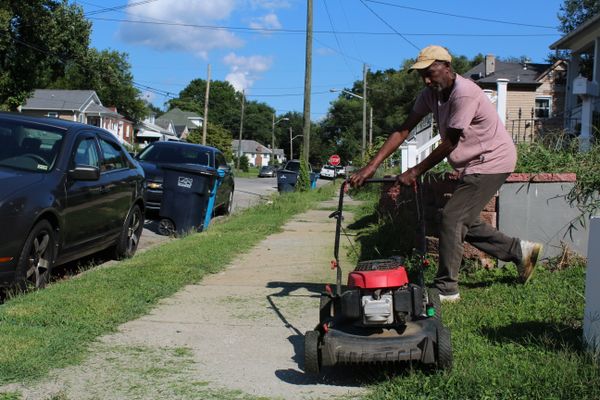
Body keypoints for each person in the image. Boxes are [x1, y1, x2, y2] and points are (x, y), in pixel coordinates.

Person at [349, 45, 542, 302]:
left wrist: (415, 171)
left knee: (452, 217)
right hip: (472, 163)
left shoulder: (465, 94)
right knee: (460, 218)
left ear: (447, 67)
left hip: (492, 160)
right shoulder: (430, 94)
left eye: (431, 73)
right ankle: (520, 251)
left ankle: (446, 288)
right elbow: (403, 130)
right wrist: (371, 166)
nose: (427, 80)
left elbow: (450, 141)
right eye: (422, 76)